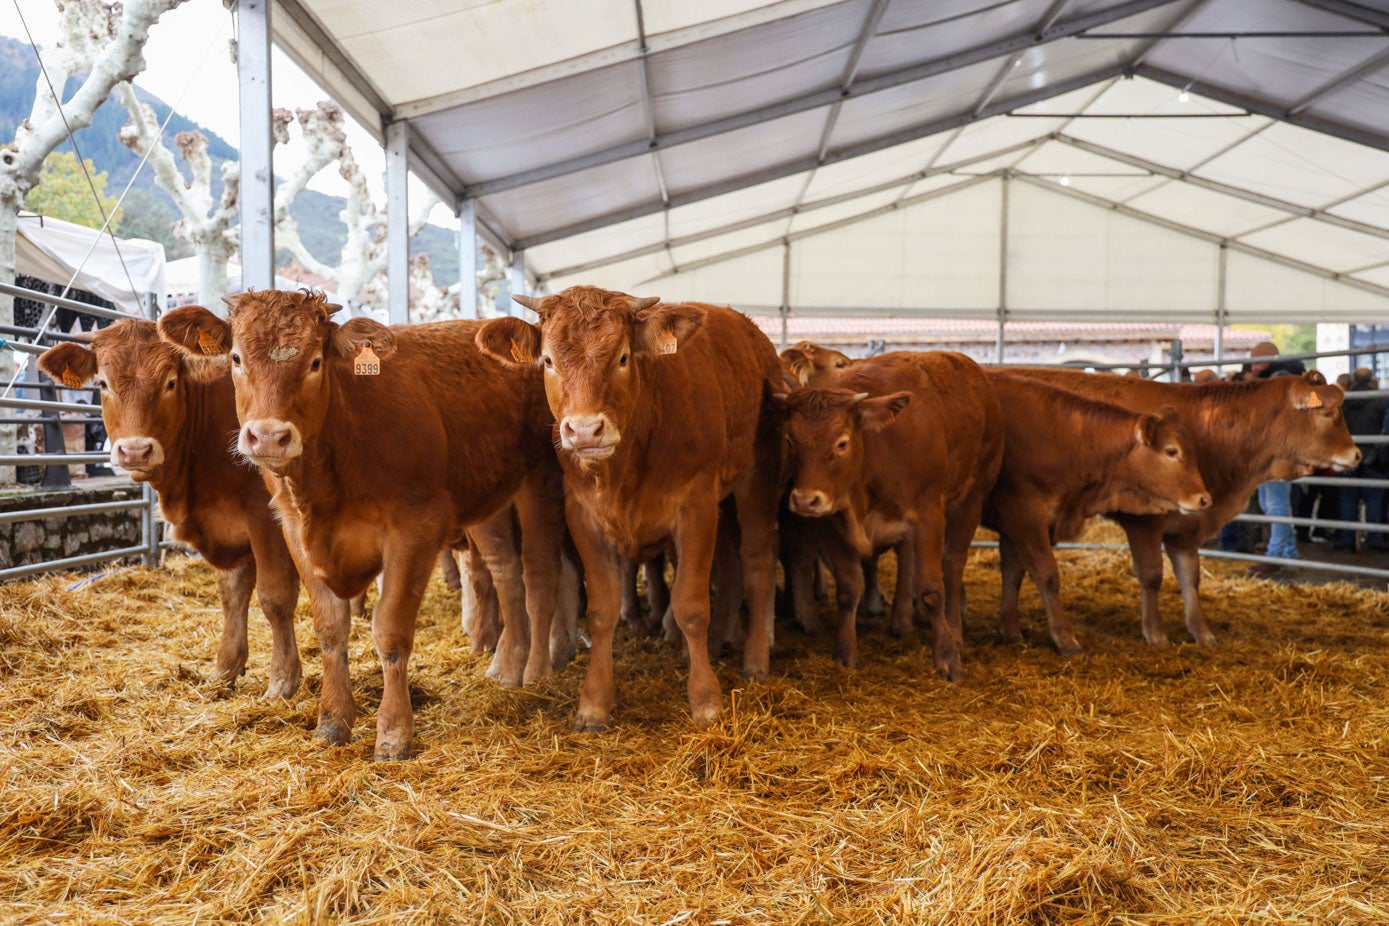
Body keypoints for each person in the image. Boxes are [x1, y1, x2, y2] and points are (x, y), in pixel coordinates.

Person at [1247, 342, 1305, 574]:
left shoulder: (1285, 390)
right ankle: (1290, 553)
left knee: (1275, 504)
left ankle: (1274, 556)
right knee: (1271, 503)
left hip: (1279, 453)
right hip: (1271, 452)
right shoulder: (1293, 386)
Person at [1337, 368, 1388, 552]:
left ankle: (1347, 540)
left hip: (1349, 456)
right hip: (1374, 457)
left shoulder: (1344, 401)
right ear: (1371, 379)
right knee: (1374, 499)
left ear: (1352, 380)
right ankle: (1374, 540)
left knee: (1347, 499)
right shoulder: (1381, 400)